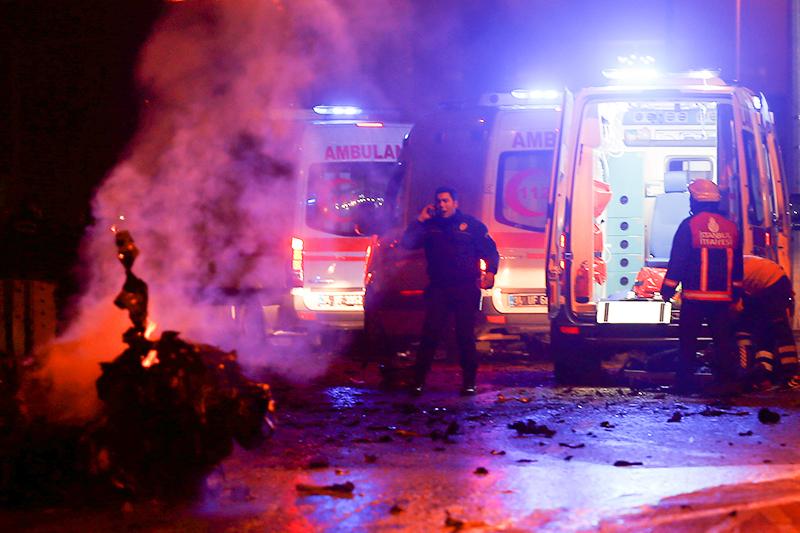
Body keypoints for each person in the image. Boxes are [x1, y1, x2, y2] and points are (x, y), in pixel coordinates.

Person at [400, 186, 499, 395]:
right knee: (430, 334)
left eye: (446, 201)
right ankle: (418, 381)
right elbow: (407, 243)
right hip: (439, 287)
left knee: (465, 335)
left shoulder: (471, 226)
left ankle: (469, 382)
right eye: (439, 201)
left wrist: (491, 272)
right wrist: (420, 220)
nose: (442, 205)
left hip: (464, 287)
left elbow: (490, 250)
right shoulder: (430, 226)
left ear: (455, 203)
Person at [659, 179, 743, 393]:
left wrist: (667, 289)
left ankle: (684, 384)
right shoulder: (731, 228)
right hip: (722, 300)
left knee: (688, 343)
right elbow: (738, 266)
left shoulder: (689, 226)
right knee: (724, 343)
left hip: (695, 300)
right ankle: (727, 383)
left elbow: (679, 260)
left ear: (694, 201)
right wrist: (736, 293)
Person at [735, 255, 799, 389]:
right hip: (769, 283)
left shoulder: (729, 271)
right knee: (764, 330)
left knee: (780, 330)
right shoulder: (740, 264)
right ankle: (764, 372)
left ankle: (792, 374)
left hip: (773, 285)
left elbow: (735, 302)